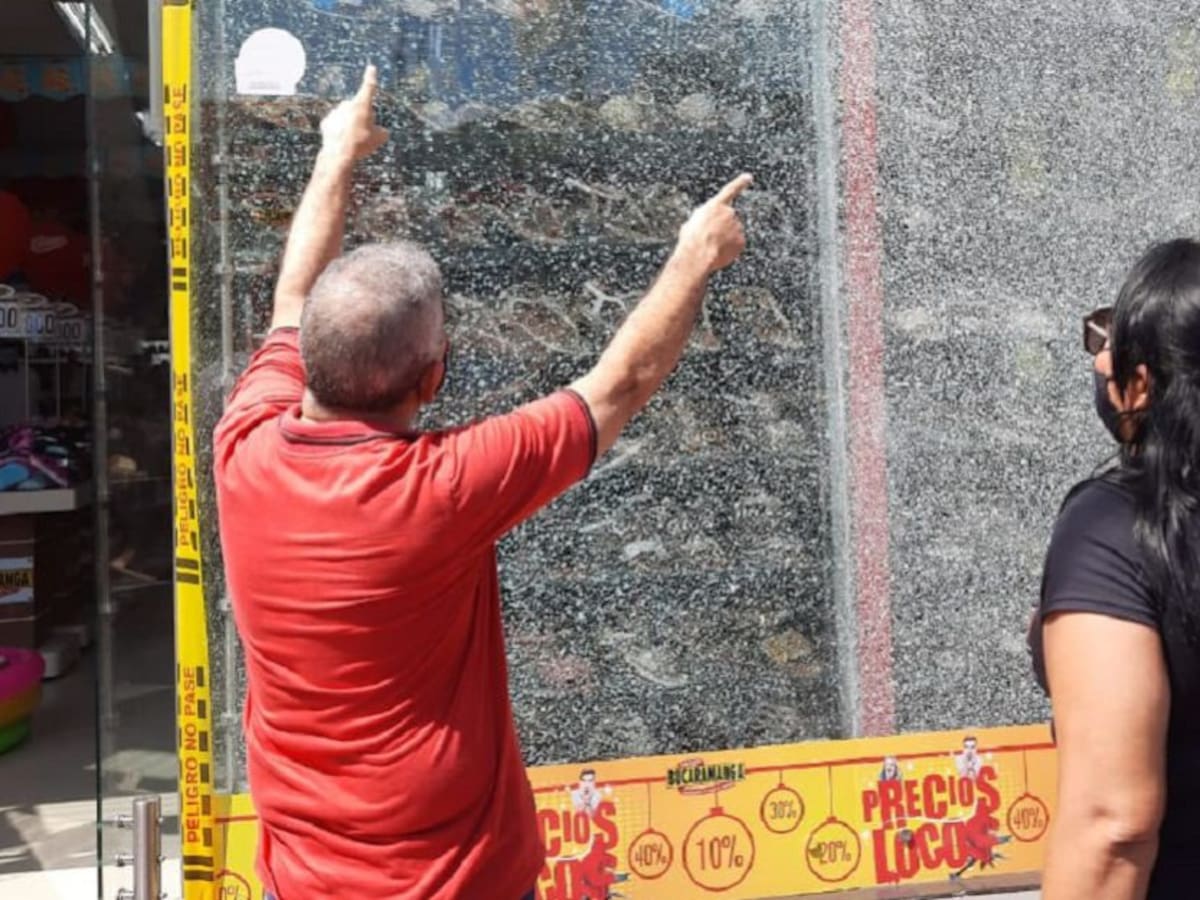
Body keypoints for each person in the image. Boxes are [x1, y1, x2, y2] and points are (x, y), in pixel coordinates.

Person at [213, 65, 751, 900]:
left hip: (305, 881)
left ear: (306, 362)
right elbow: (620, 383)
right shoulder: (439, 491)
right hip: (457, 881)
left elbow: (290, 296)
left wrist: (335, 156)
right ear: (434, 381)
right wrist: (695, 255)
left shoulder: (244, 445)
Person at [1030, 239, 1200, 899]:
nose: (1099, 357)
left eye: (1114, 341)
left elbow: (1113, 824)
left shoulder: (1116, 527)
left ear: (1141, 384)